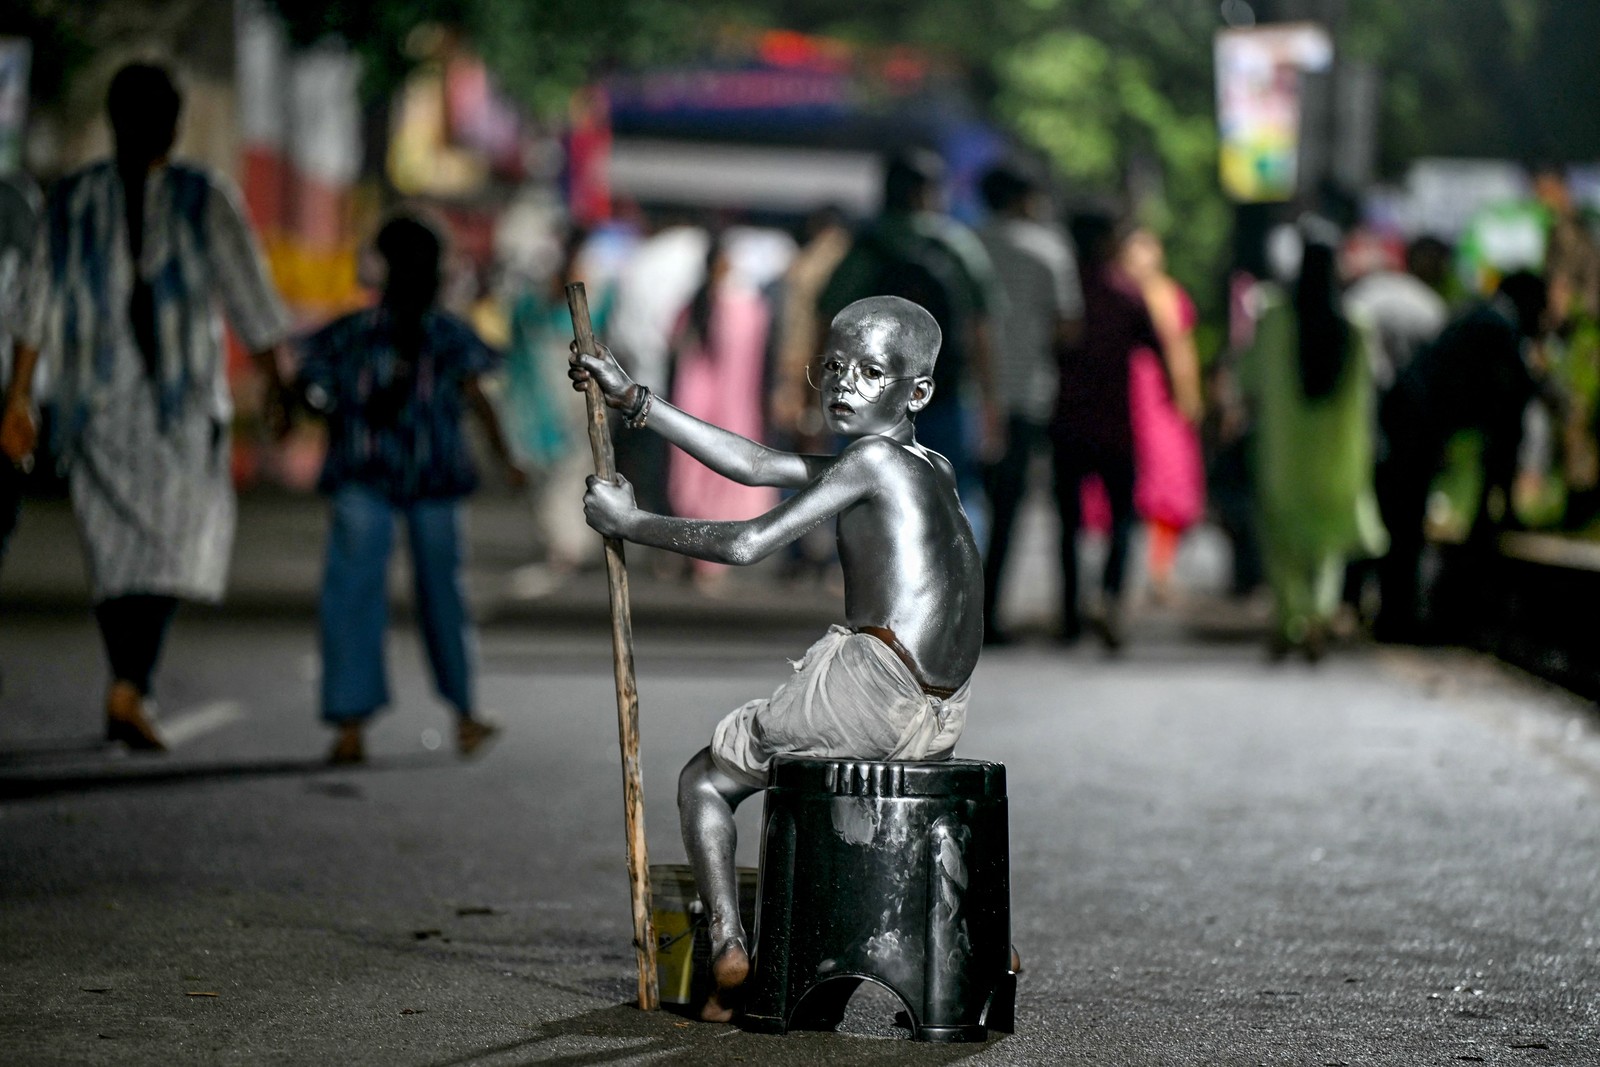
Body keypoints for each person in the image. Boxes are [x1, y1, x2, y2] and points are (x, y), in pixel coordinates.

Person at [569, 295, 982, 1023]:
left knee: (704, 779)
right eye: (835, 366)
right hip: (942, 709)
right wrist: (635, 399)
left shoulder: (873, 460)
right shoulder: (930, 466)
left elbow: (746, 543)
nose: (844, 384)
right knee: (775, 767)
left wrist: (630, 522)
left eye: (871, 371)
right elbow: (757, 461)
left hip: (878, 687)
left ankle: (730, 944)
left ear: (916, 391)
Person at [1, 63, 291, 750]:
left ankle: (130, 680)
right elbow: (34, 301)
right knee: (114, 548)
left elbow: (248, 292)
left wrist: (280, 381)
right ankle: (130, 682)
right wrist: (18, 398)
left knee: (174, 540)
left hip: (182, 402)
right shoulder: (73, 198)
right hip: (97, 401)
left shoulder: (202, 195)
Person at [296, 212, 525, 765]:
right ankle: (465, 714)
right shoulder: (448, 335)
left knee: (352, 596)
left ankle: (351, 726)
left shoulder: (351, 334)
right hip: (433, 481)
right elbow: (479, 398)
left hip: (363, 475)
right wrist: (505, 460)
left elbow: (308, 390)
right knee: (444, 596)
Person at [818, 150, 1000, 547]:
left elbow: (829, 320)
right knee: (951, 491)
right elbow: (980, 329)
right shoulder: (955, 246)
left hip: (869, 400)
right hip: (944, 394)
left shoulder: (866, 247)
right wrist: (990, 403)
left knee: (867, 493)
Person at [1375, 271, 1553, 643]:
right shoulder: (1499, 326)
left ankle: (1396, 615)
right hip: (1415, 424)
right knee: (1406, 522)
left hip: (1409, 419)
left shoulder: (1482, 318)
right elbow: (1510, 416)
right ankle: (1397, 619)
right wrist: (1500, 505)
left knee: (1403, 521)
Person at [1241, 236, 1388, 660]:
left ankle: (1291, 619)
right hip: (1338, 456)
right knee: (1327, 547)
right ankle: (1319, 615)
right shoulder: (1356, 324)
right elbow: (1370, 392)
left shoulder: (1272, 317)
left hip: (1282, 456)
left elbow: (1248, 381)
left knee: (1281, 545)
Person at [974, 163, 1082, 643]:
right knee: (1007, 511)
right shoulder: (1048, 249)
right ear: (1024, 199)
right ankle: (991, 615)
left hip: (967, 395)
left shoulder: (967, 243)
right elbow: (1067, 326)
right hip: (1029, 396)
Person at [1051, 211, 1159, 650]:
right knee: (1122, 520)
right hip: (1114, 426)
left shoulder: (1062, 292)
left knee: (1068, 523)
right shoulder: (1124, 293)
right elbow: (1155, 346)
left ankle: (1070, 613)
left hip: (1066, 421)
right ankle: (1110, 600)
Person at [665, 235, 777, 591]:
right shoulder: (744, 307)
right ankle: (708, 564)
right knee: (722, 486)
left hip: (696, 408)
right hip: (731, 412)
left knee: (695, 484)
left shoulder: (697, 304)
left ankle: (697, 559)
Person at [504, 226, 608, 576]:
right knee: (550, 471)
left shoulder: (593, 294)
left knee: (574, 468)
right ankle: (563, 542)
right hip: (544, 390)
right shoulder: (532, 304)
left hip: (572, 393)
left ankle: (571, 542)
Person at [1118, 226, 1206, 604]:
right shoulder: (1129, 294)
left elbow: (1180, 353)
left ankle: (1156, 572)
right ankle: (1129, 579)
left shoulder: (1162, 295)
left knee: (1163, 491)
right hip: (1131, 398)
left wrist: (1187, 396)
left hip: (1153, 400)